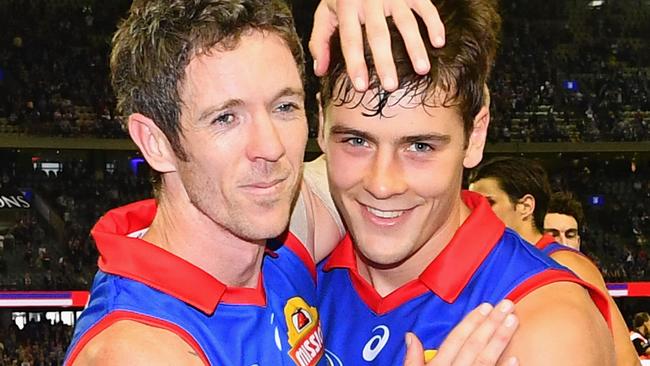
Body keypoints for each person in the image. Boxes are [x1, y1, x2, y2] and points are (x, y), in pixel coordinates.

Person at [65, 0, 516, 365]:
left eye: (284, 108)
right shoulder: (141, 350)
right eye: (226, 118)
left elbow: (370, 182)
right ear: (156, 142)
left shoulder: (275, 238)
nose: (271, 147)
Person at [313, 0, 616, 364]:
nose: (382, 184)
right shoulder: (286, 253)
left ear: (475, 137)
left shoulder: (544, 329)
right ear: (320, 124)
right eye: (356, 141)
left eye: (420, 146)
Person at [468, 156, 639, 366]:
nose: (474, 213)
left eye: (488, 203)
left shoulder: (565, 263)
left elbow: (625, 358)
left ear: (525, 206)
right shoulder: (504, 266)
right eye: (471, 204)